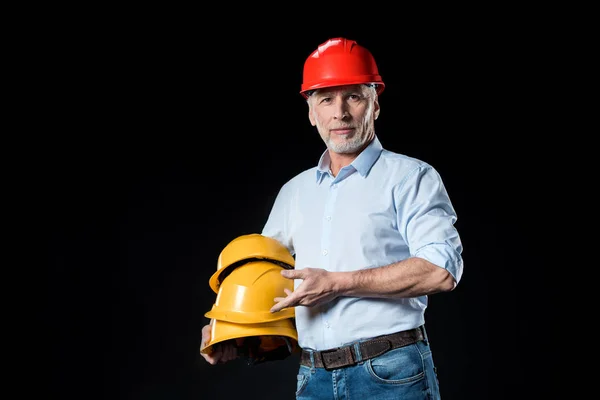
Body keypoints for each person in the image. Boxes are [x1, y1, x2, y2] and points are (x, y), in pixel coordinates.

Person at [200, 37, 463, 400]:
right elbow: (263, 274)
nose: (340, 112)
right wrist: (233, 327)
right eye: (326, 99)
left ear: (374, 104)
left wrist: (337, 283)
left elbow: (440, 270)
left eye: (353, 96)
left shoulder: (410, 178)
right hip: (314, 377)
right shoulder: (295, 192)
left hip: (391, 371)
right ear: (311, 112)